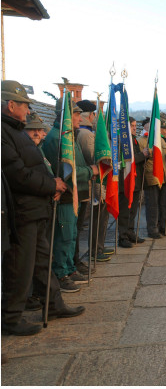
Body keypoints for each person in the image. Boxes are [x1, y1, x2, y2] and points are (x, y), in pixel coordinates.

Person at [2, 80, 85, 336]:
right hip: (22, 212)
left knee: (41, 262)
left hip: (35, 209)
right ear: (10, 104)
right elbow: (18, 175)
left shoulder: (14, 131)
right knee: (21, 266)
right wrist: (52, 185)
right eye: (25, 105)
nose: (28, 111)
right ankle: (10, 317)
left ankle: (53, 304)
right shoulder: (4, 133)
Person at [41, 97, 100, 291]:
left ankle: (69, 268)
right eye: (75, 114)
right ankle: (61, 273)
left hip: (73, 194)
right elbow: (67, 171)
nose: (79, 118)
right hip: (65, 195)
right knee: (64, 236)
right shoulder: (57, 138)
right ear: (65, 115)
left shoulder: (67, 135)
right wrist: (91, 171)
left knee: (72, 234)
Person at [74, 100, 112, 264]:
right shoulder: (87, 134)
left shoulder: (80, 133)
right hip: (95, 183)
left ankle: (98, 247)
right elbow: (95, 158)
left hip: (88, 182)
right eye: (95, 114)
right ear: (90, 115)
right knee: (98, 218)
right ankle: (96, 249)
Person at [138, 113, 166, 238]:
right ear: (145, 127)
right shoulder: (141, 141)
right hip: (151, 177)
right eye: (148, 126)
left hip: (164, 175)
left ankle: (164, 226)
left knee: (163, 203)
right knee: (152, 205)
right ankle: (152, 229)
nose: (150, 128)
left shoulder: (160, 139)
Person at [118, 116, 148, 246]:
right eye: (132, 126)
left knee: (133, 210)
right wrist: (143, 155)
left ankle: (130, 232)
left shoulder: (134, 140)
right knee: (125, 210)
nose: (135, 128)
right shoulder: (121, 141)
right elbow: (128, 160)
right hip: (126, 181)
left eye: (135, 126)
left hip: (136, 180)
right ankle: (123, 236)